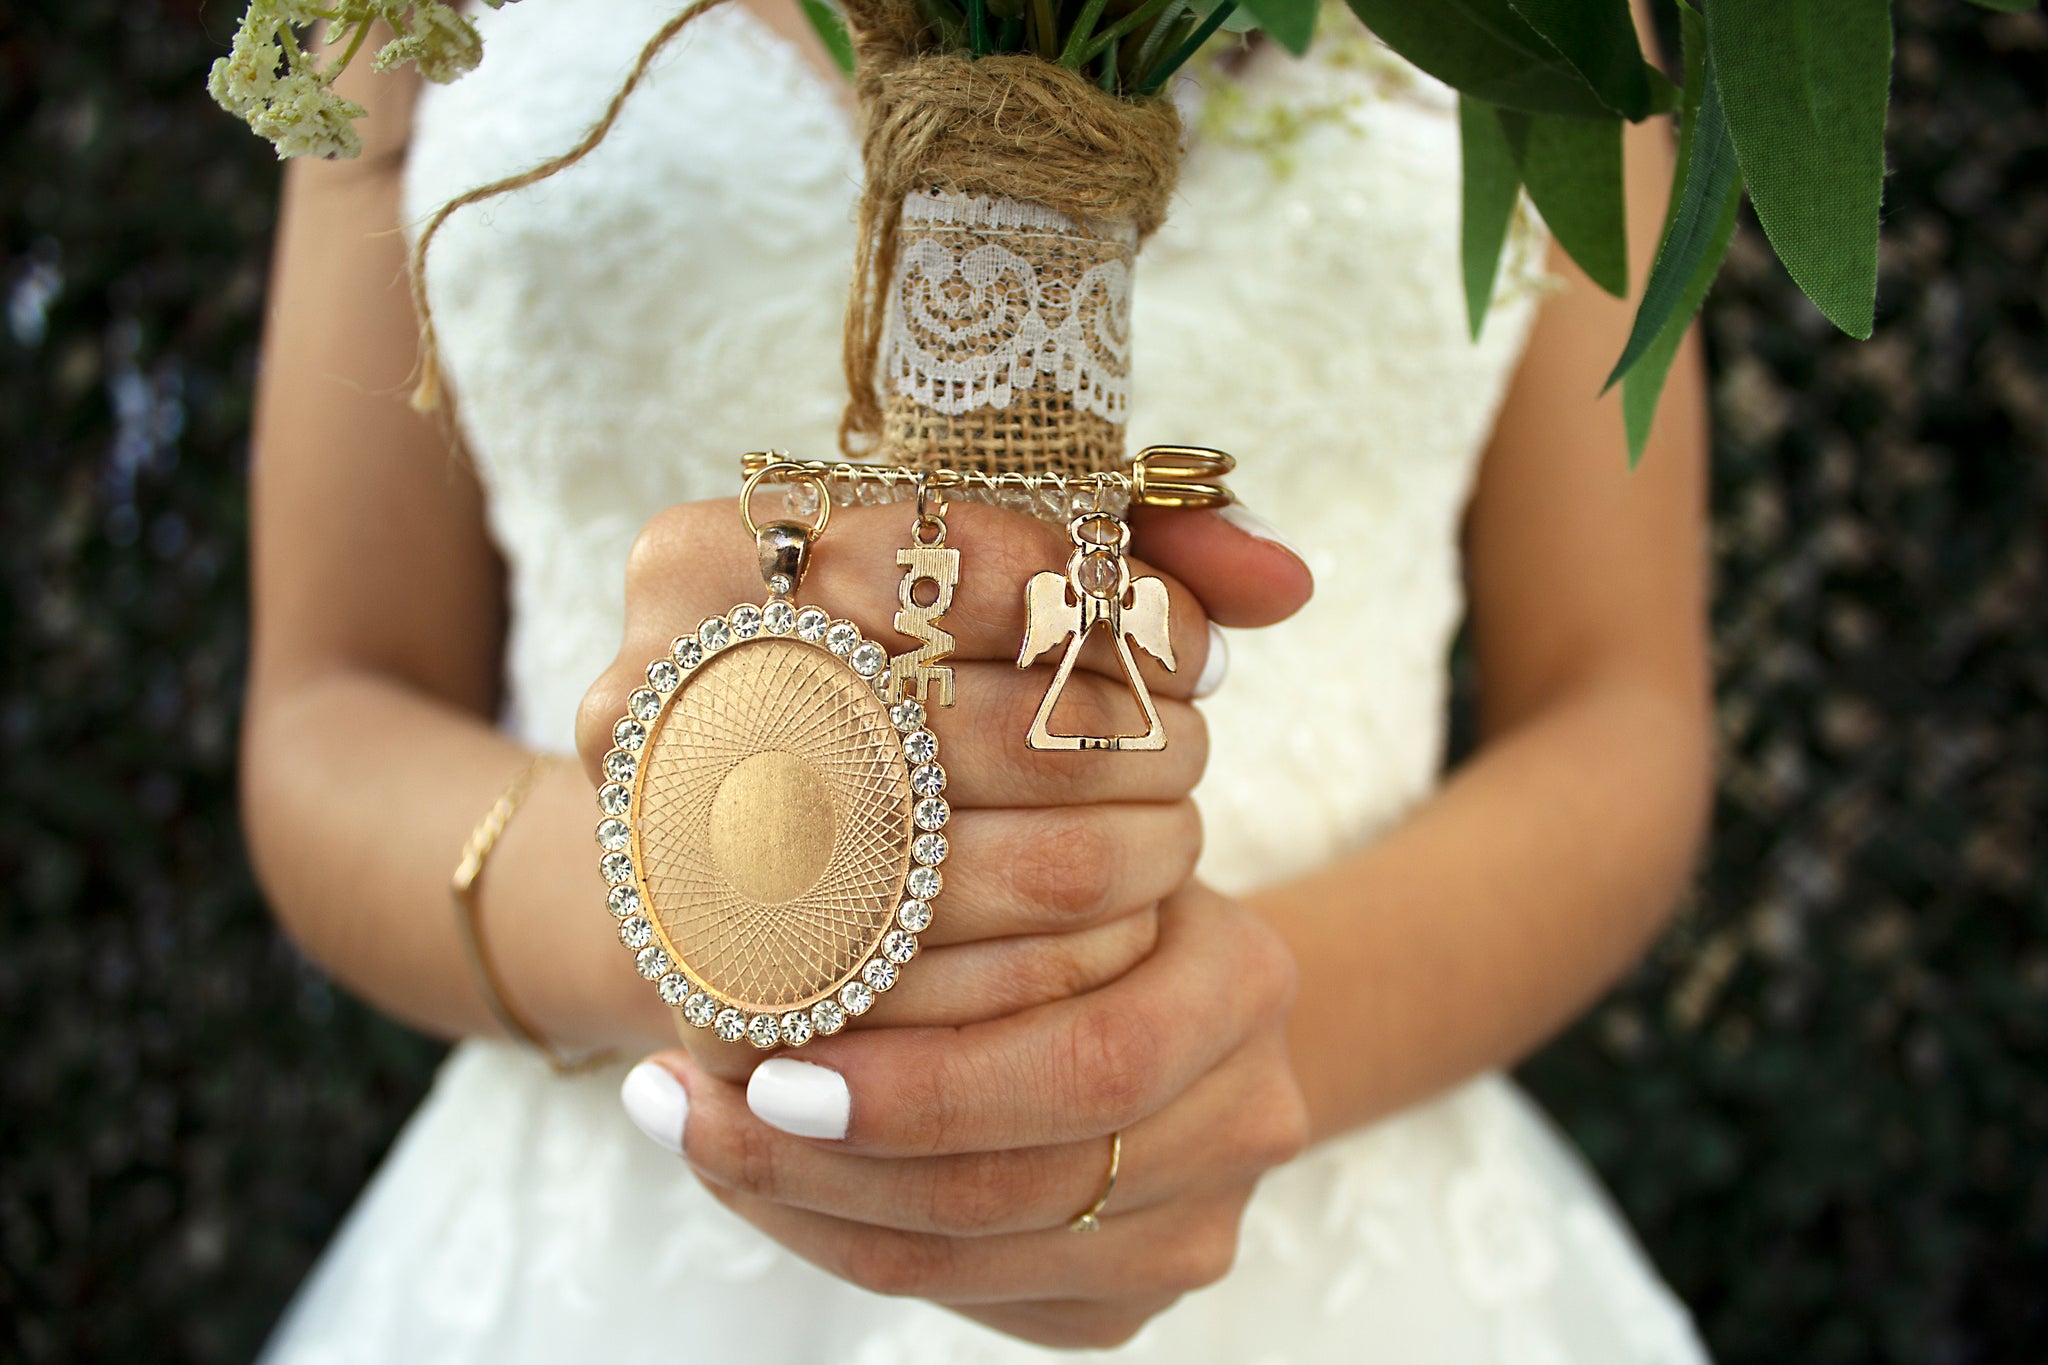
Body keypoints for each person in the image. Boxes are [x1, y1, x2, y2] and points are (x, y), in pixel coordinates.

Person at [242, 0, 1716, 1358]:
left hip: (1325, 1195)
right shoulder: (370, 22)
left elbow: (1618, 703)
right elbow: (329, 704)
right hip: (625, 1206)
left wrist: (1183, 1070)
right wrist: (717, 909)